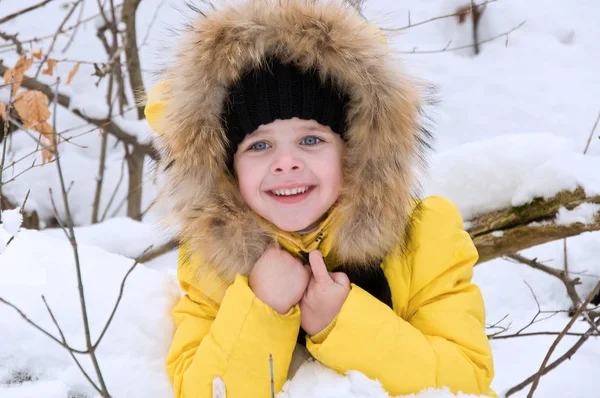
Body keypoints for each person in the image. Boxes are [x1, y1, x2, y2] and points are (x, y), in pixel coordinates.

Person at [144, 1, 495, 397]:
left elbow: (467, 383)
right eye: (259, 146)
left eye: (311, 139)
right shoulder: (212, 260)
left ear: (356, 151)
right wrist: (262, 306)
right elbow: (201, 390)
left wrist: (344, 321)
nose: (286, 163)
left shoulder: (423, 238)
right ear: (227, 169)